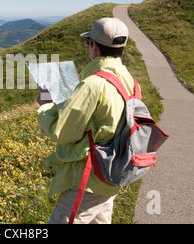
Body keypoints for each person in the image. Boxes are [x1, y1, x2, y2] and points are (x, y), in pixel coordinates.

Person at [37, 17, 137, 224]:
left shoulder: (93, 84)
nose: (88, 47)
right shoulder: (128, 78)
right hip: (112, 170)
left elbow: (62, 132)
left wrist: (45, 106)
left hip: (90, 176)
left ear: (95, 47)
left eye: (88, 42)